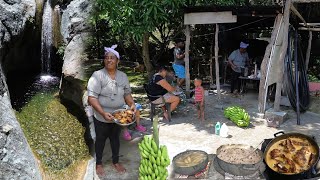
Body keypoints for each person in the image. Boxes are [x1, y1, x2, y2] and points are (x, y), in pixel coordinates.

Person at [87, 45, 146, 176]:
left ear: (117, 61)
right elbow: (91, 98)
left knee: (115, 139)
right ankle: (99, 164)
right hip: (101, 116)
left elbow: (127, 94)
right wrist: (102, 113)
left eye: (112, 58)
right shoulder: (97, 76)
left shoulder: (123, 76)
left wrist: (131, 104)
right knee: (101, 139)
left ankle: (116, 161)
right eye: (106, 58)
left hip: (119, 116)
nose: (109, 60)